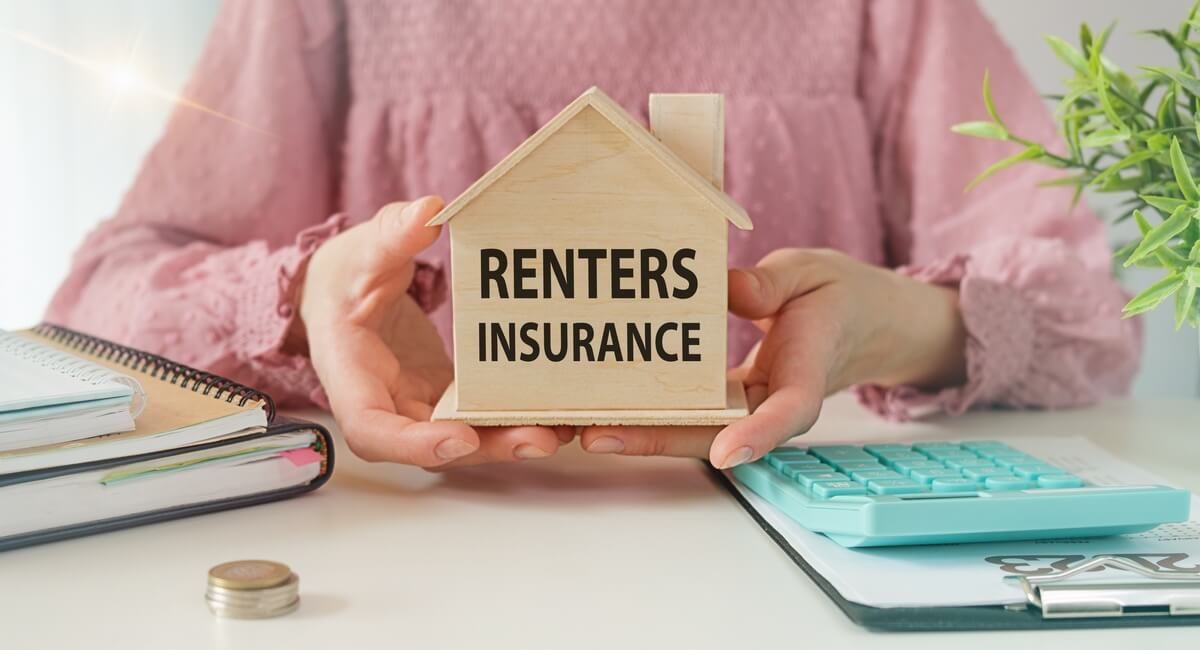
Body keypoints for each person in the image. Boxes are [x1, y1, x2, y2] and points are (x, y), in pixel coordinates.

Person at [47, 0, 1140, 471]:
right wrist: (305, 299)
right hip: (426, 570)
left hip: (790, 548)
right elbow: (99, 294)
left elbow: (1089, 315)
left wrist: (892, 323)